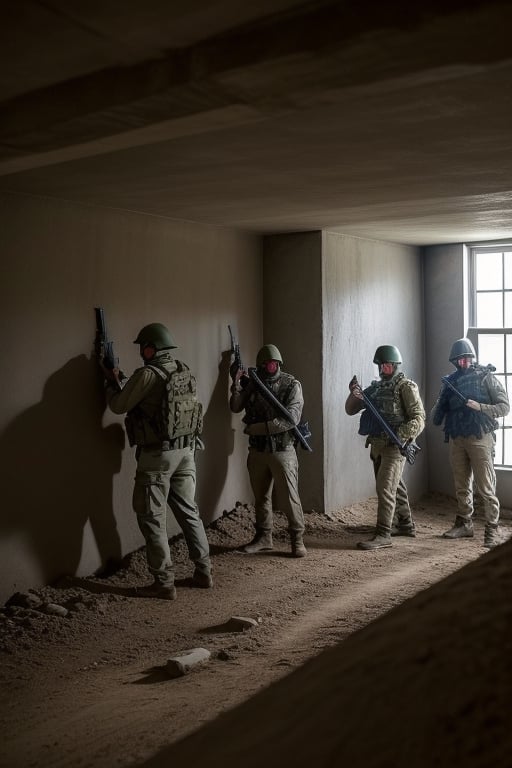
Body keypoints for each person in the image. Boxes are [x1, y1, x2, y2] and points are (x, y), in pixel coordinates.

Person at [100, 322, 213, 600]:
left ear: (151, 348)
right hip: (186, 453)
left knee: (152, 518)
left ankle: (163, 582)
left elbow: (118, 405)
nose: (141, 351)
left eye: (143, 347)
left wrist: (109, 384)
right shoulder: (181, 369)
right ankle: (204, 571)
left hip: (157, 457)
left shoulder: (147, 373)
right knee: (189, 512)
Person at [229, 343, 307, 557]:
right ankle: (264, 537)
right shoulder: (254, 384)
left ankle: (297, 539)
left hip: (282, 449)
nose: (270, 366)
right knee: (261, 496)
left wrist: (258, 428)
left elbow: (291, 418)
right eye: (266, 363)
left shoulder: (291, 385)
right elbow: (235, 406)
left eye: (273, 363)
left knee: (290, 497)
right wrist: (236, 382)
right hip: (258, 450)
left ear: (279, 363)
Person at [345, 345, 425, 550]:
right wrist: (354, 393)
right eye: (381, 366)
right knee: (394, 486)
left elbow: (419, 418)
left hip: (395, 447)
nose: (383, 370)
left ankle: (383, 534)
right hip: (378, 446)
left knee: (384, 488)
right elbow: (351, 409)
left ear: (396, 366)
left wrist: (402, 434)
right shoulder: (376, 389)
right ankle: (406, 524)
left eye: (387, 366)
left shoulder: (406, 387)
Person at [431, 337, 510, 548]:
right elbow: (436, 416)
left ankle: (492, 528)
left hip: (480, 437)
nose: (463, 363)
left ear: (472, 358)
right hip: (457, 438)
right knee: (461, 485)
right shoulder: (450, 382)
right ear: (454, 361)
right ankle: (464, 523)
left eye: (467, 358)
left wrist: (480, 407)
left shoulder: (486, 377)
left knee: (485, 486)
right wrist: (442, 403)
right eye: (459, 360)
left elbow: (504, 407)